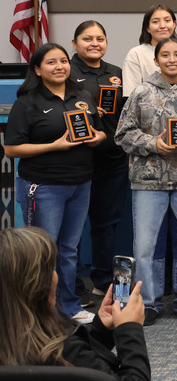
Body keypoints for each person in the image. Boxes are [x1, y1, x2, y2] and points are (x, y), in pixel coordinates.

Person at [6, 43, 106, 324]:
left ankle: (68, 306)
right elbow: (12, 149)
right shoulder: (27, 102)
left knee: (69, 249)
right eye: (51, 62)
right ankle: (39, 312)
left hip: (80, 183)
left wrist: (98, 138)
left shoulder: (83, 95)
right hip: (43, 186)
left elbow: (97, 131)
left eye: (63, 61)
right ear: (37, 69)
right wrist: (54, 146)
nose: (60, 66)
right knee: (43, 250)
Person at [115, 37, 177, 325]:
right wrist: (154, 143)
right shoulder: (141, 92)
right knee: (146, 244)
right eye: (165, 55)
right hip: (148, 179)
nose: (171, 59)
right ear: (156, 60)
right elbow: (123, 134)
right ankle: (148, 301)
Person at [0, 227, 150, 380]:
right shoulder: (63, 351)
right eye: (51, 268)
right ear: (40, 288)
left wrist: (101, 330)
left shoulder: (17, 346)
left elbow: (83, 359)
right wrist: (130, 329)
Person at [69, 21, 129, 301]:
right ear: (74, 43)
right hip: (77, 160)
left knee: (106, 223)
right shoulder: (66, 71)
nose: (94, 43)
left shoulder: (116, 73)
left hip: (111, 158)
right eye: (87, 38)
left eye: (100, 38)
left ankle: (102, 278)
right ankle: (72, 284)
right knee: (73, 226)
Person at [122, 4, 177, 98]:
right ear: (147, 27)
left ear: (174, 24)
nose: (162, 26)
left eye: (167, 21)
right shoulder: (136, 54)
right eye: (155, 22)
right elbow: (130, 96)